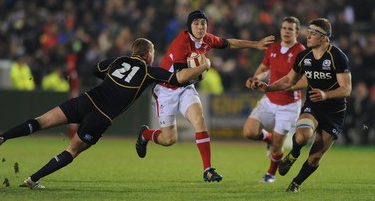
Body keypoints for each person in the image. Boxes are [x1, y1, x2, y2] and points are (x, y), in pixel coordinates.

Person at [0, 38, 211, 189]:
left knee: (40, 121)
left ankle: (1, 137)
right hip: (100, 118)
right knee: (72, 150)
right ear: (149, 54)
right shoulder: (150, 71)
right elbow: (177, 78)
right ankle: (32, 179)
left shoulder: (117, 61)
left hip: (85, 101)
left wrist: (112, 78)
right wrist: (203, 66)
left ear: (132, 51)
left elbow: (93, 69)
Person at [135, 10, 275, 182]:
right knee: (169, 139)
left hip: (186, 88)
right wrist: (204, 66)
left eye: (203, 23)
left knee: (200, 121)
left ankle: (207, 170)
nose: (200, 27)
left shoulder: (207, 39)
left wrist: (255, 44)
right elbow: (180, 76)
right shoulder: (182, 41)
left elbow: (229, 43)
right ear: (190, 26)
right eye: (196, 23)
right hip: (166, 89)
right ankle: (145, 134)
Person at [253, 18, 352, 192]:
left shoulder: (337, 56)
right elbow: (289, 81)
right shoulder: (304, 56)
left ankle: (296, 183)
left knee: (315, 158)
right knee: (302, 136)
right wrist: (269, 87)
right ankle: (293, 154)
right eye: (309, 32)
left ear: (324, 38)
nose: (308, 36)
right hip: (313, 106)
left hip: (335, 112)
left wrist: (326, 94)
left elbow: (346, 89)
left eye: (313, 33)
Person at [243, 16, 306, 183]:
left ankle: (270, 174)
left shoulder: (301, 52)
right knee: (249, 131)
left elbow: (305, 79)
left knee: (278, 146)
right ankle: (269, 139)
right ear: (280, 30)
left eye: (290, 29)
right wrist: (257, 78)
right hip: (269, 100)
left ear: (297, 32)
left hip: (289, 105)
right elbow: (265, 68)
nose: (286, 31)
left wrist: (289, 87)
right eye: (284, 28)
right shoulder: (273, 48)